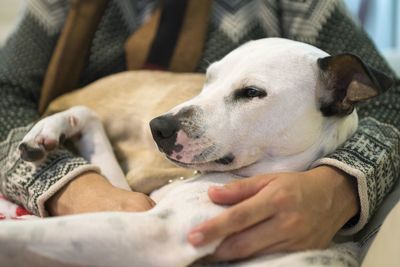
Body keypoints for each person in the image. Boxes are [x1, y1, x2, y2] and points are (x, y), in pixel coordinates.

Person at [0, 0, 398, 263]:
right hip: (94, 162)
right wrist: (70, 189)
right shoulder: (58, 6)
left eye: (249, 92)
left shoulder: (298, 6)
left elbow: (389, 101)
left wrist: (340, 186)